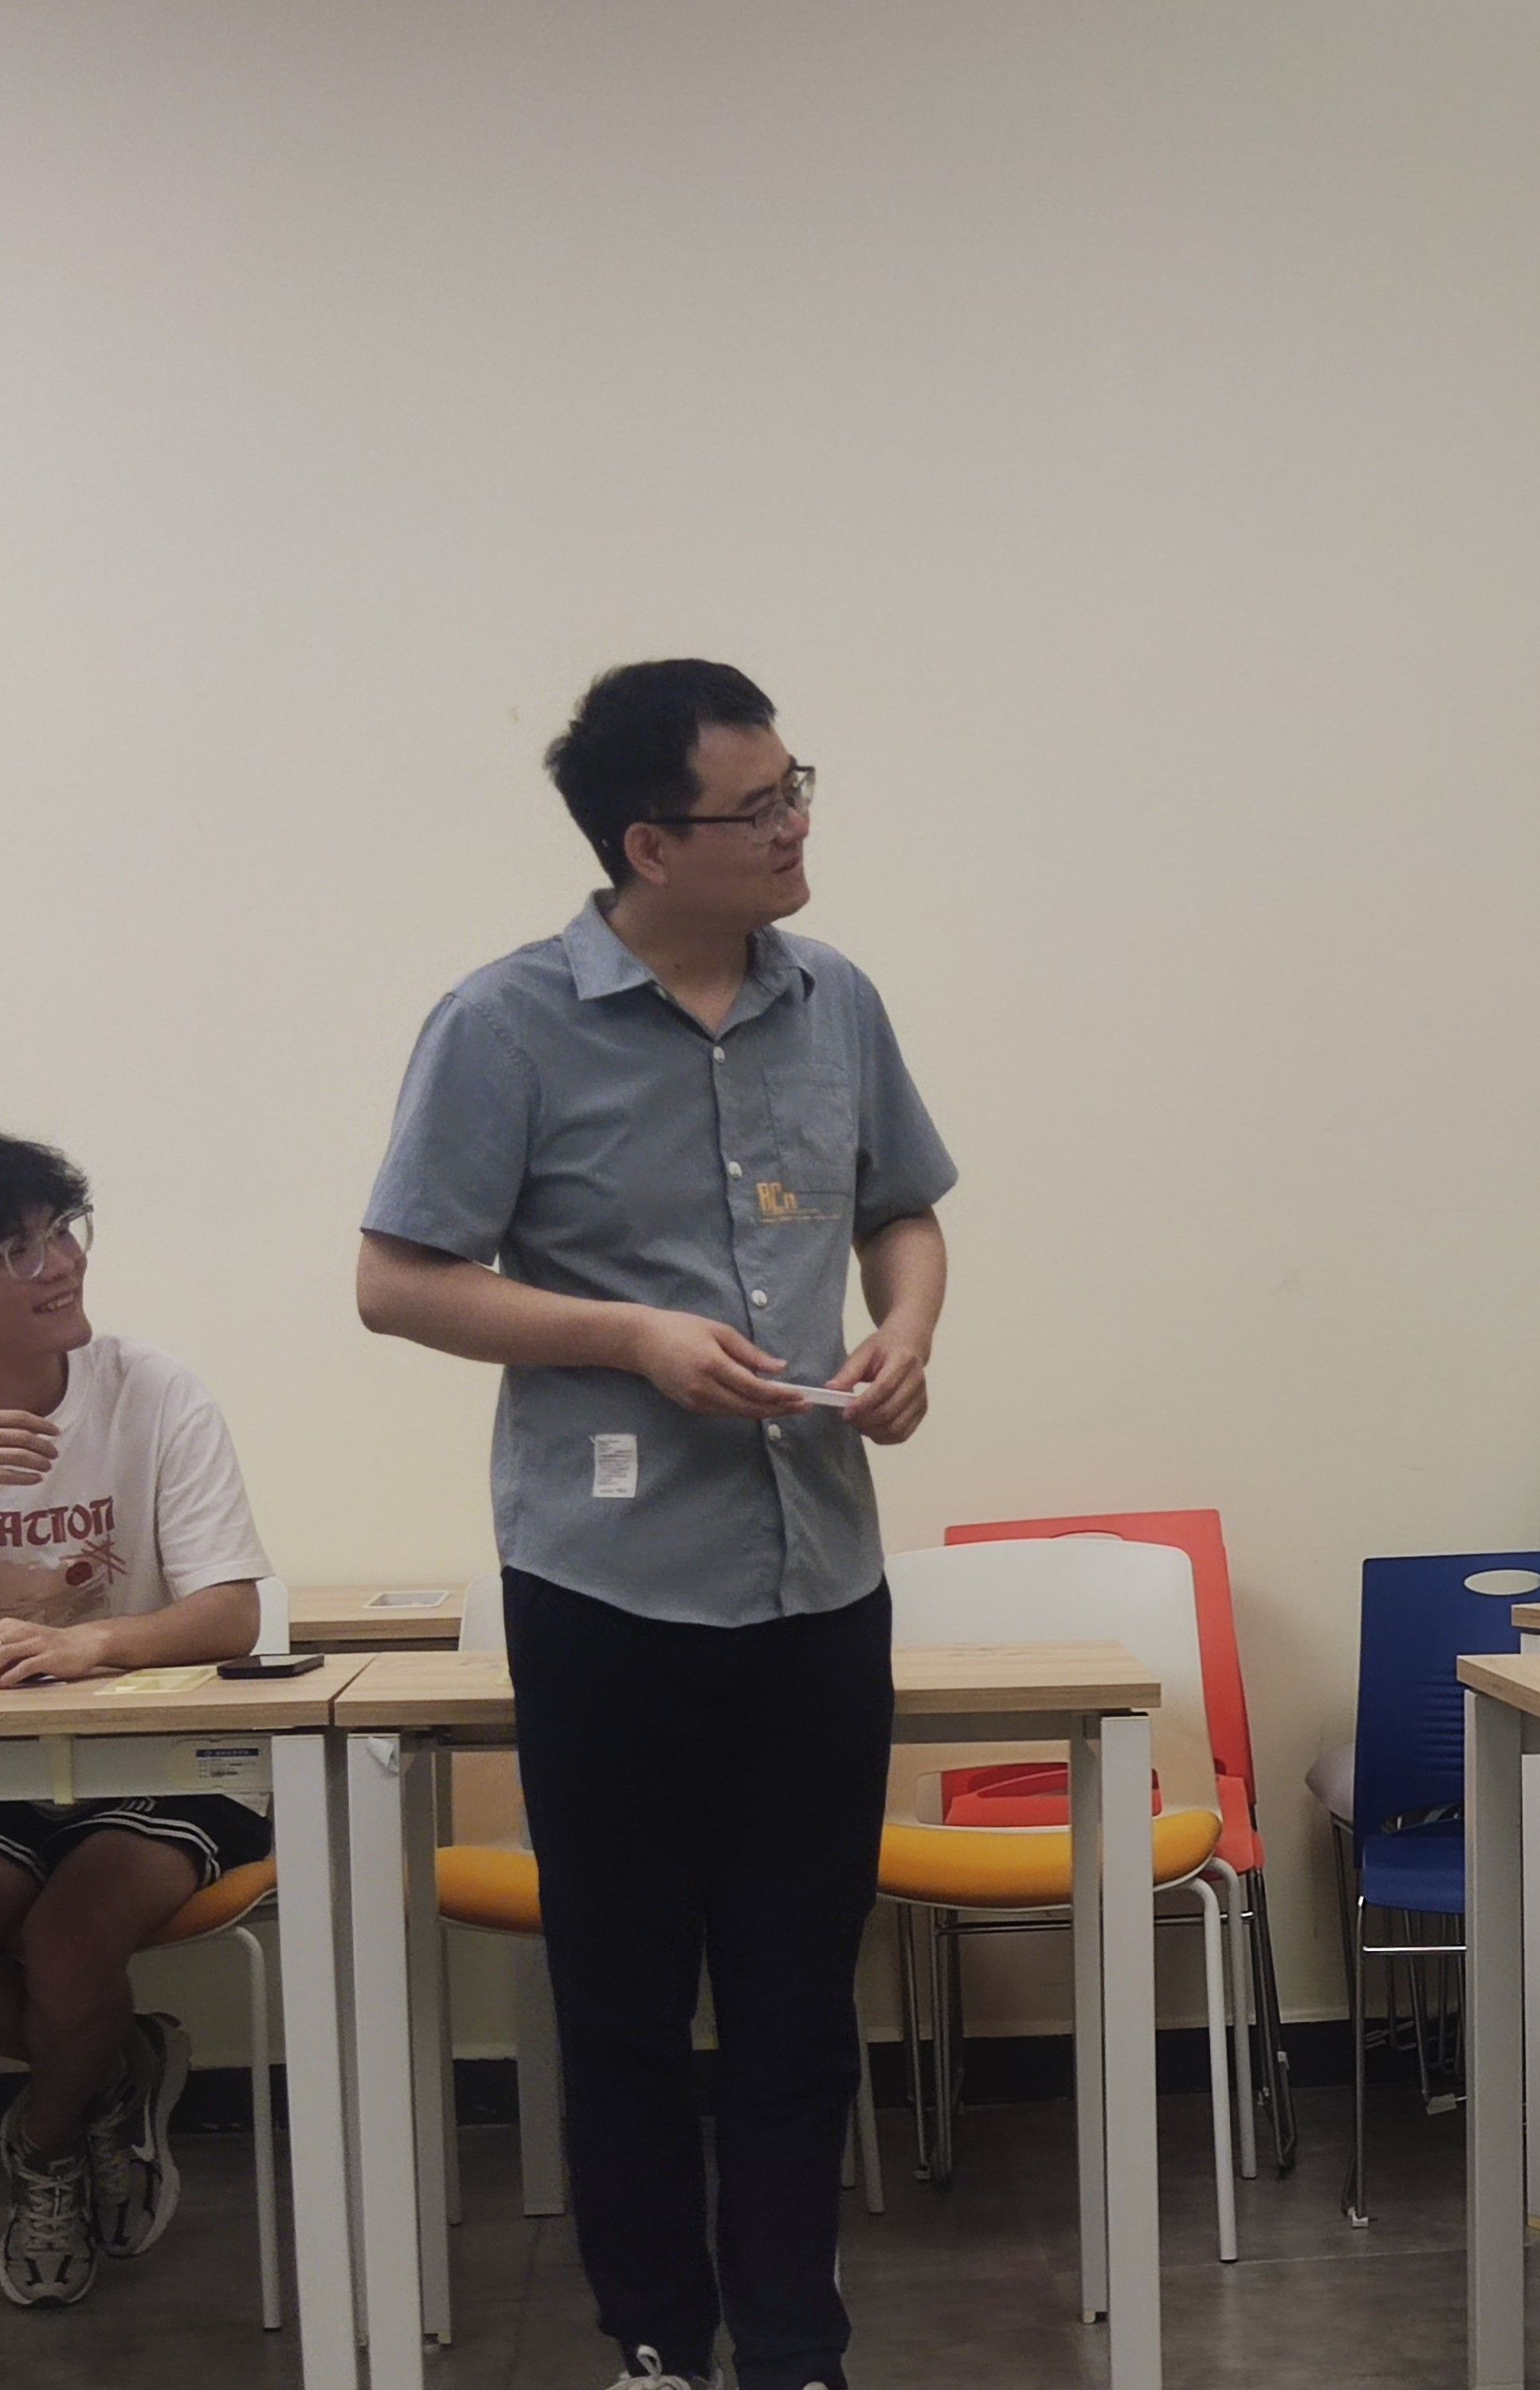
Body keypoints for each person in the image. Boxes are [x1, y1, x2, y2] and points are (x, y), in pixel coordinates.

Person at [356, 661, 955, 2390]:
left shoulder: (835, 1000)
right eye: (758, 808)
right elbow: (397, 1282)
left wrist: (907, 1330)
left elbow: (903, 1210)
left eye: (796, 786)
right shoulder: (502, 1023)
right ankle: (655, 2346)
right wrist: (628, 1339)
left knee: (795, 2003)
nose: (796, 826)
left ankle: (795, 2347)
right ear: (646, 844)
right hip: (606, 1590)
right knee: (622, 2008)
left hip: (817, 1578)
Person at [0, 1134, 272, 2310]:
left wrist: (94, 1643)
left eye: (62, 1233)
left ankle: (45, 2148)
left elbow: (231, 1610)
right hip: (11, 1774)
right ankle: (117, 2068)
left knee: (66, 1943)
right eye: (18, 1249)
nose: (59, 1263)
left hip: (167, 1763)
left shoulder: (152, 1390)